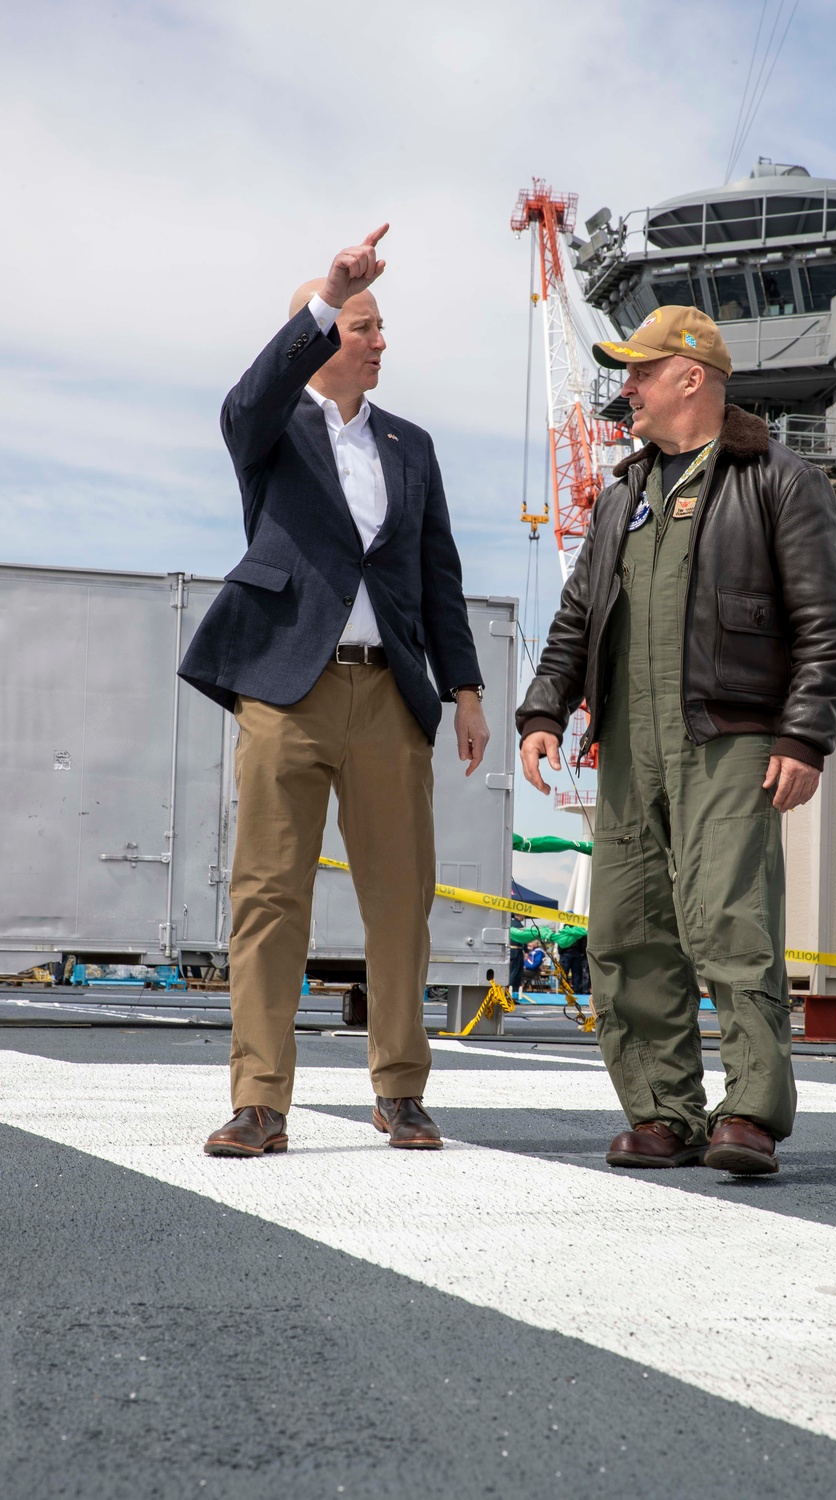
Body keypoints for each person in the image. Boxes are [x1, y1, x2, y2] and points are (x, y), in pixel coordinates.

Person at [517, 305, 836, 1175]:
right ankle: (664, 1112)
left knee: (731, 920)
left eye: (639, 371)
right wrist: (544, 710)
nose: (624, 388)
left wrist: (804, 736)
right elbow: (578, 615)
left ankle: (750, 1112)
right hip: (628, 745)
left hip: (729, 738)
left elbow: (825, 625)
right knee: (627, 931)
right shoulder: (625, 492)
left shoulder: (779, 480)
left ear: (690, 377)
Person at [180, 226, 489, 1156]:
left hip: (390, 696)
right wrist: (328, 296)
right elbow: (248, 399)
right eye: (365, 326)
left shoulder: (412, 445)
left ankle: (400, 1092)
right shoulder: (271, 431)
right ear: (324, 339)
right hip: (286, 691)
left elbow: (437, 573)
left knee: (402, 897)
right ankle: (260, 1101)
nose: (382, 341)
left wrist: (464, 688)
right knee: (269, 895)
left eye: (382, 327)